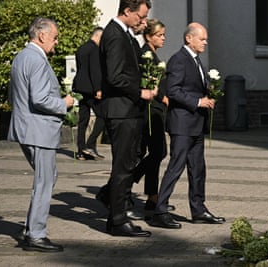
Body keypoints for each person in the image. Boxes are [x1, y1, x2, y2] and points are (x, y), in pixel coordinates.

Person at [8, 17, 75, 252]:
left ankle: (31, 230)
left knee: (47, 178)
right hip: (38, 130)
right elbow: (39, 98)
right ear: (42, 35)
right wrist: (65, 103)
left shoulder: (21, 57)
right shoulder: (35, 59)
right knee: (44, 181)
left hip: (28, 128)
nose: (56, 42)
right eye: (54, 37)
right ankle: (36, 234)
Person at [150, 22, 225, 229]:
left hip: (196, 124)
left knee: (198, 168)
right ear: (188, 38)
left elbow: (191, 87)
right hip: (182, 124)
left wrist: (208, 96)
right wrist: (197, 102)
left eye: (206, 39)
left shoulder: (196, 60)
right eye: (202, 39)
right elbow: (173, 91)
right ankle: (160, 210)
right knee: (176, 167)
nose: (205, 42)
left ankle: (198, 209)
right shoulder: (179, 60)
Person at [97, 0, 156, 237]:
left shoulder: (127, 35)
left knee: (129, 164)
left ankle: (116, 210)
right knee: (123, 167)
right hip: (120, 111)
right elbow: (114, 76)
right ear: (127, 11)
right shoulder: (113, 34)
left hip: (129, 110)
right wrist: (139, 91)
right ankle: (118, 219)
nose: (143, 21)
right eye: (140, 16)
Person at [131, 19, 175, 212]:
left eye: (164, 34)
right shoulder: (145, 55)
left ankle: (152, 196)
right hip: (150, 110)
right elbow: (145, 83)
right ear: (148, 36)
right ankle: (127, 181)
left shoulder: (152, 54)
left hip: (157, 110)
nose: (163, 38)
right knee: (158, 152)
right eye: (159, 35)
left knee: (155, 154)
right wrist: (163, 97)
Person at [72, 27, 106, 160]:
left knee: (83, 119)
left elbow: (81, 68)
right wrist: (98, 88)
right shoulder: (95, 50)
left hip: (80, 88)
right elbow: (95, 70)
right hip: (91, 88)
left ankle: (81, 151)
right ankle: (90, 145)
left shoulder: (82, 48)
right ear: (98, 36)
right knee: (103, 115)